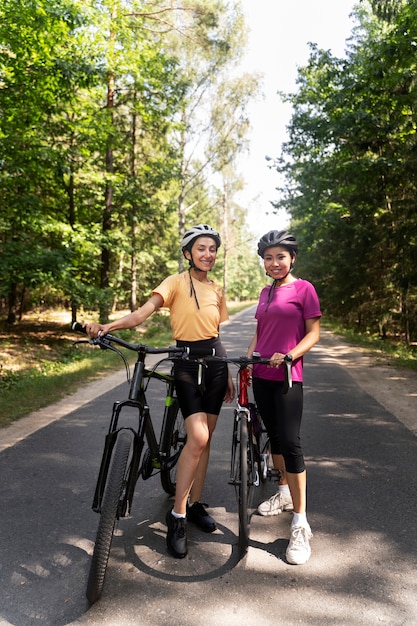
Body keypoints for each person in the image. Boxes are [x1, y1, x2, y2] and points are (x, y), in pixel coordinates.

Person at [85, 224, 235, 559]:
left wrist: (228, 373)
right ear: (188, 253)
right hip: (184, 363)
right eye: (201, 248)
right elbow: (142, 313)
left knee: (206, 439)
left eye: (212, 248)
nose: (208, 254)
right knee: (196, 437)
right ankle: (177, 516)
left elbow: (215, 332)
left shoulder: (217, 289)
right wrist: (108, 326)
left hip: (215, 365)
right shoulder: (175, 283)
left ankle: (195, 504)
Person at [246, 230, 321, 565]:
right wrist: (247, 363)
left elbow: (313, 333)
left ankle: (301, 522)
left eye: (280, 256)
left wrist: (290, 354)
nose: (274, 263)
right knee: (273, 437)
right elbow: (259, 334)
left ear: (292, 258)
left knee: (291, 442)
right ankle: (283, 493)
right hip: (262, 375)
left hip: (289, 377)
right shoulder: (264, 292)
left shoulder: (304, 289)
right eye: (268, 257)